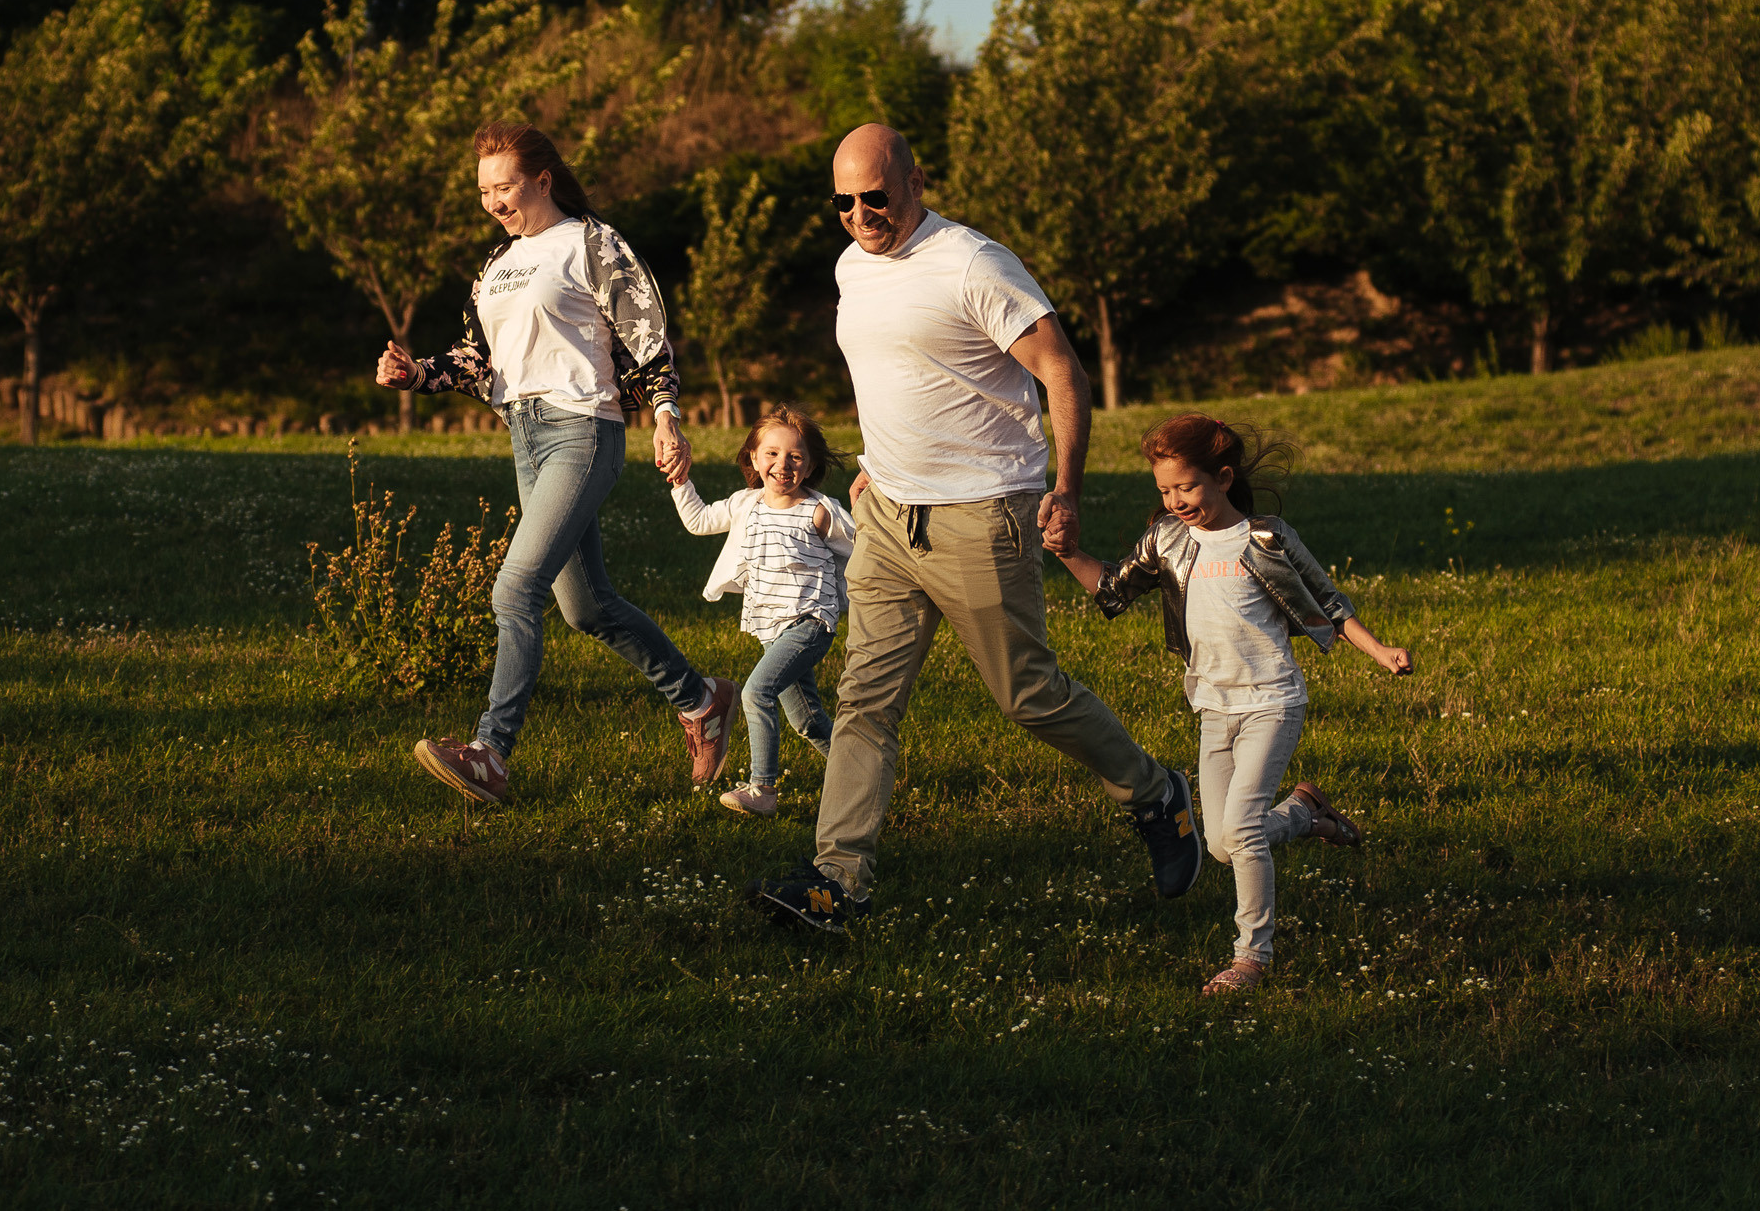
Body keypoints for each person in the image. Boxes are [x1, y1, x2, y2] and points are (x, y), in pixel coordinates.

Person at [746, 124, 1200, 931]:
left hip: (983, 516)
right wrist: (876, 461)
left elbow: (1062, 369)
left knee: (1027, 694)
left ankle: (1156, 792)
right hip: (887, 519)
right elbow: (895, 369)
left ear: (917, 182)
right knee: (864, 701)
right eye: (843, 202)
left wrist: (1065, 485)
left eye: (875, 197)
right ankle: (837, 877)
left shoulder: (973, 263)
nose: (860, 215)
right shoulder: (853, 265)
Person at [385, 120, 735, 806]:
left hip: (583, 430)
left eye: (505, 185)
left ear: (542, 179)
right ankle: (702, 698)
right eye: (484, 189)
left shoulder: (591, 243)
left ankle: (491, 751)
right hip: (525, 433)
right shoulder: (496, 264)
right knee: (585, 605)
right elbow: (476, 357)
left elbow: (647, 338)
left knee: (515, 588)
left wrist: (667, 417)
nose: (493, 200)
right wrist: (416, 372)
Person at [1055, 413, 1413, 994]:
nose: (1175, 501)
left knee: (1241, 833)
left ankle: (1253, 957)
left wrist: (1380, 650)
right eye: (1164, 491)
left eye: (1186, 487)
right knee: (1222, 845)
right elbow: (1112, 589)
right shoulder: (1168, 540)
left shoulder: (1266, 539)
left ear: (1222, 478)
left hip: (1272, 699)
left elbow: (1327, 600)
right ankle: (1305, 812)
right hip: (1212, 706)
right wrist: (1068, 551)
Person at [666, 404, 856, 820]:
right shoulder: (745, 504)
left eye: (794, 456)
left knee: (756, 693)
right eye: (771, 453)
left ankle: (762, 789)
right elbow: (699, 521)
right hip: (770, 626)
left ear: (809, 465)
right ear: (753, 458)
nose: (782, 464)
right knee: (806, 719)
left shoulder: (819, 511)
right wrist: (681, 481)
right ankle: (863, 778)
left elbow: (861, 554)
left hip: (810, 622)